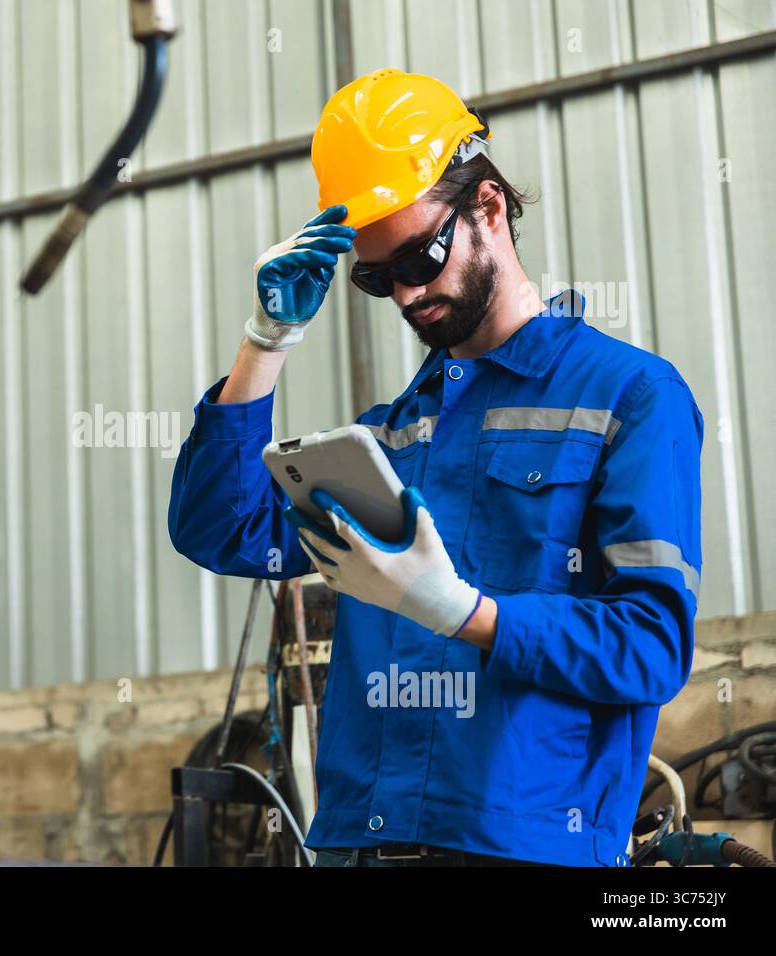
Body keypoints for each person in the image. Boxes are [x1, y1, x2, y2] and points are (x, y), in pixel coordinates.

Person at [167, 68, 704, 867]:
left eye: (420, 257)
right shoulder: (388, 436)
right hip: (357, 845)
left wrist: (466, 613)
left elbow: (651, 645)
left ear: (489, 206)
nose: (407, 297)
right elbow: (222, 529)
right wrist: (265, 343)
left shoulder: (628, 396)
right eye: (377, 277)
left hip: (519, 849)